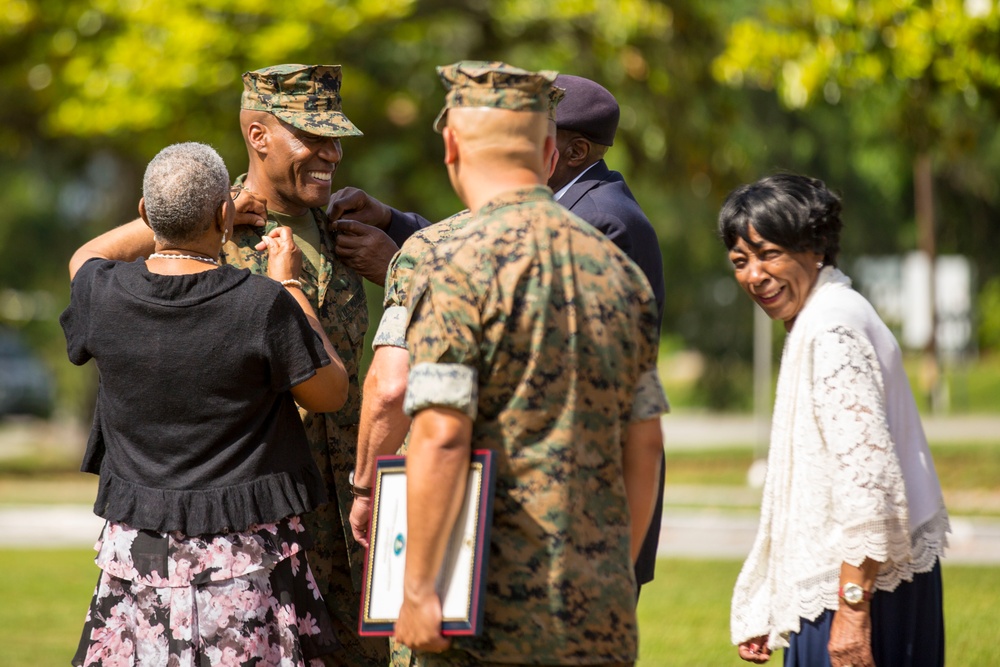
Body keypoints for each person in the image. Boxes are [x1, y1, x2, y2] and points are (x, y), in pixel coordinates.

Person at [99, 65, 393, 665]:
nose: (331, 154)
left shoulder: (349, 230)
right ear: (258, 136)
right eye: (312, 137)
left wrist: (394, 264)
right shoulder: (209, 242)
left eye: (337, 139)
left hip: (358, 511)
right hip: (263, 527)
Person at [392, 60, 669, 666]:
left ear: (451, 145)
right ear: (548, 151)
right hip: (597, 615)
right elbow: (645, 442)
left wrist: (415, 591)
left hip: (487, 615)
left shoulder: (457, 264)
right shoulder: (617, 269)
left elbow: (440, 437)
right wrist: (611, 577)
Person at [60, 142, 347, 665]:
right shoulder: (262, 304)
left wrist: (190, 215)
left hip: (138, 565)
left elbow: (85, 257)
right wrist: (289, 283)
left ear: (146, 215)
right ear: (223, 215)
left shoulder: (103, 295)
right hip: (244, 567)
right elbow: (331, 392)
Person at [719, 173, 949, 667]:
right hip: (855, 588)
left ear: (815, 246)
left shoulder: (831, 330)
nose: (755, 275)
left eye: (770, 253)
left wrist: (852, 612)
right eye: (741, 261)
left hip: (862, 594)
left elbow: (868, 486)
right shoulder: (832, 312)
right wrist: (775, 602)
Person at [347, 82, 564, 549]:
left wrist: (365, 488)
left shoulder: (431, 252)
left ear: (453, 149)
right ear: (550, 154)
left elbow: (391, 387)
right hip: (558, 521)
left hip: (447, 512)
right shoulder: (602, 258)